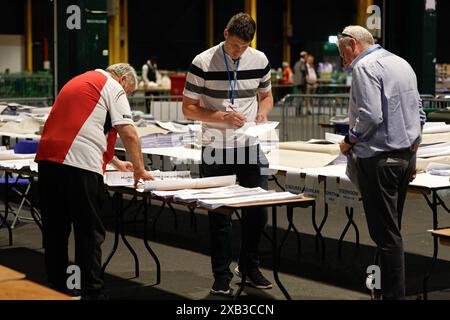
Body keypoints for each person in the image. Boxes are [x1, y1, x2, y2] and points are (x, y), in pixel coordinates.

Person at [35, 63, 154, 299]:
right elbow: (128, 132)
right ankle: (92, 292)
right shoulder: (113, 86)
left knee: (55, 231)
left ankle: (57, 288)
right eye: (129, 92)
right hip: (79, 166)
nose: (126, 97)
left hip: (48, 161)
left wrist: (116, 163)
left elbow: (84, 126)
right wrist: (140, 170)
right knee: (88, 232)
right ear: (123, 81)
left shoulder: (78, 80)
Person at [182, 12, 274, 295]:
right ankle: (221, 274)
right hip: (216, 147)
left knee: (258, 212)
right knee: (220, 217)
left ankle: (248, 266)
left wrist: (262, 112)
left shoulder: (260, 60)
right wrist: (220, 116)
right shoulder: (202, 61)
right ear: (225, 34)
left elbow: (267, 96)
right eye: (234, 46)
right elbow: (188, 107)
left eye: (244, 47)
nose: (238, 52)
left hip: (248, 145)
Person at [338, 26, 425, 300]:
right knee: (390, 232)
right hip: (403, 159)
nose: (344, 60)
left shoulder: (364, 67)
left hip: (378, 161)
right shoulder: (402, 63)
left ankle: (392, 296)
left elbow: (371, 116)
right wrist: (412, 152)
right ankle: (380, 290)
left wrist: (349, 140)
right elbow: (419, 113)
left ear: (352, 44)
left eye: (343, 53)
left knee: (386, 237)